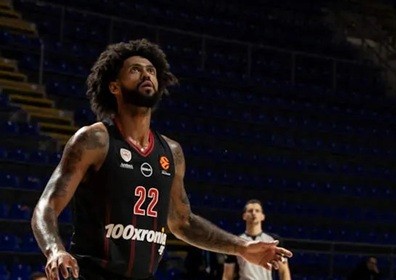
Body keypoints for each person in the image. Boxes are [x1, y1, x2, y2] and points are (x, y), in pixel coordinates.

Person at [31, 40, 291, 280]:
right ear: (114, 87)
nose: (146, 75)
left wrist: (242, 246)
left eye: (151, 70)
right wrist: (55, 250)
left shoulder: (171, 152)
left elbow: (183, 222)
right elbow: (46, 206)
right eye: (135, 70)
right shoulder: (94, 140)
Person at [223, 200, 291, 280]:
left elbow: (284, 271)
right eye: (250, 211)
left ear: (262, 216)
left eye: (257, 211)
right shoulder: (236, 242)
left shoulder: (274, 241)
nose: (254, 213)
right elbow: (227, 275)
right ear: (244, 216)